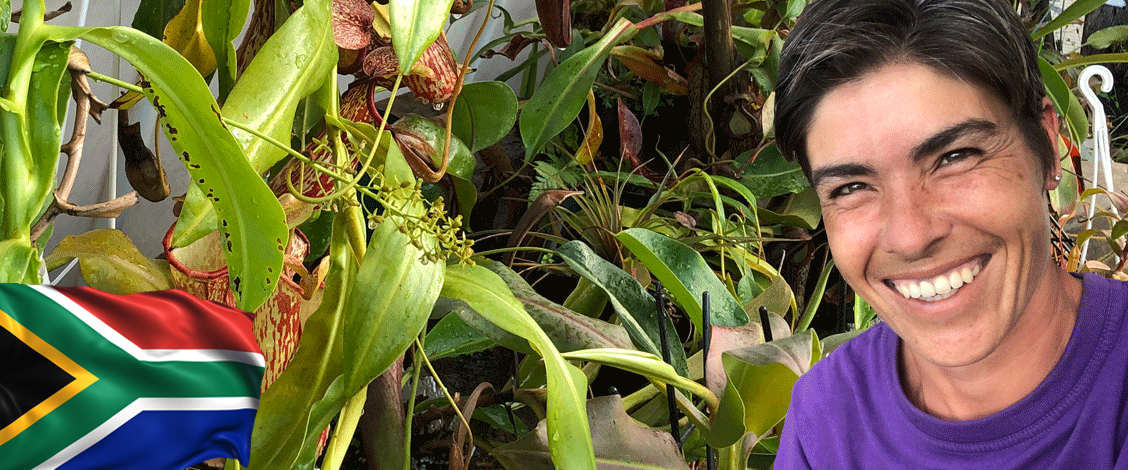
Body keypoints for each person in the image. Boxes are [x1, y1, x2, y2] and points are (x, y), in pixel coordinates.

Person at [772, 0, 1128, 467]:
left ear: (1046, 145)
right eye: (853, 187)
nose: (911, 235)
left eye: (954, 157)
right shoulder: (826, 419)